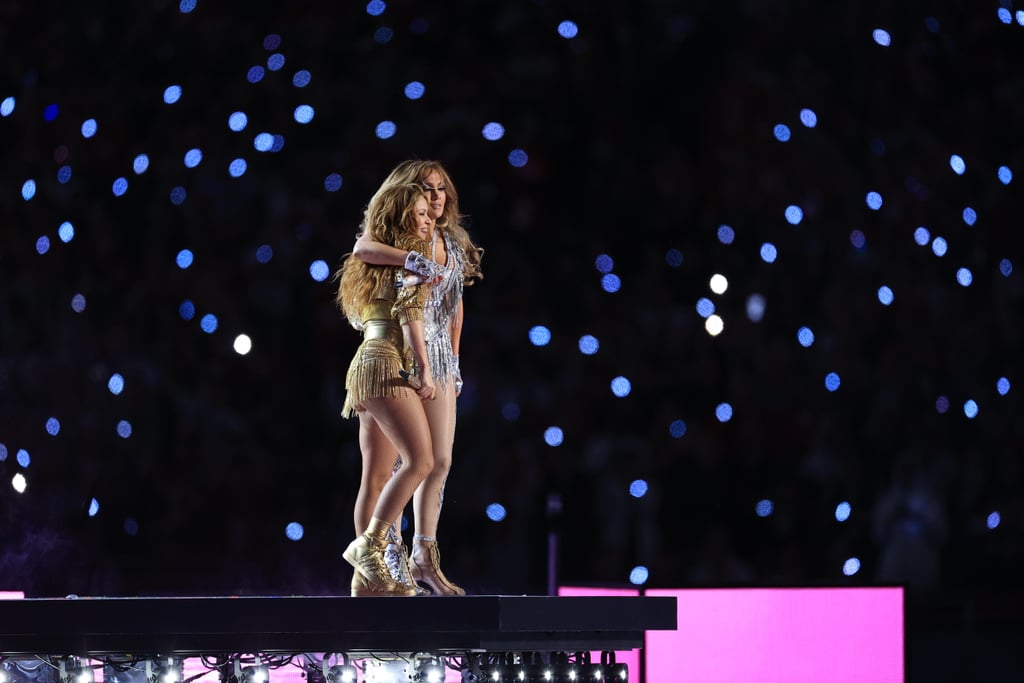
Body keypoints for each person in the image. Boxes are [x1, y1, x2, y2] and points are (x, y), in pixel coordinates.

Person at [350, 160, 483, 595]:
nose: (436, 196)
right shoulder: (399, 239)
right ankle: (379, 560)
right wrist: (411, 256)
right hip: (399, 352)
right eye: (427, 189)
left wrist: (455, 361)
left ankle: (423, 555)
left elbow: (456, 310)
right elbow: (364, 251)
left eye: (442, 188)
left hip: (438, 355)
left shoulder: (449, 242)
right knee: (392, 466)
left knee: (436, 461)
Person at [334, 182, 439, 596]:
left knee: (375, 475)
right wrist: (426, 371)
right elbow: (411, 318)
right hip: (387, 363)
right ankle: (370, 548)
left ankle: (368, 581)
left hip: (364, 361)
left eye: (430, 214)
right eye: (420, 213)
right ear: (401, 217)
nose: (428, 219)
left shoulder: (375, 261)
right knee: (421, 461)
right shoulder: (411, 259)